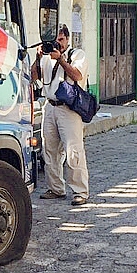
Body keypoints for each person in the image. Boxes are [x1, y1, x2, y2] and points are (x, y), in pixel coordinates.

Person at [33, 24, 89, 206]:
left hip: (69, 109)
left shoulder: (77, 55)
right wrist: (38, 58)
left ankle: (80, 191)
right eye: (55, 41)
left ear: (67, 39)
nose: (58, 44)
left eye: (61, 40)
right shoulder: (47, 57)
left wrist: (62, 60)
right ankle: (56, 188)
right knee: (49, 151)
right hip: (49, 106)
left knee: (73, 151)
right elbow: (34, 77)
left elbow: (77, 75)